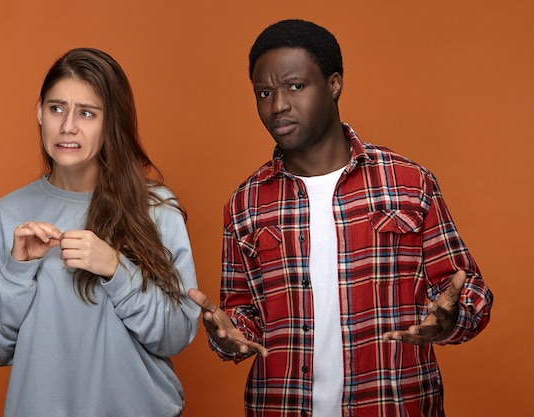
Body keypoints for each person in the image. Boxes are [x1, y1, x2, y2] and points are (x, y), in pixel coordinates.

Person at [188, 19, 493, 417]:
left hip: (392, 406)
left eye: (295, 86)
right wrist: (227, 336)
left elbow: (468, 292)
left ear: (334, 84)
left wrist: (451, 319)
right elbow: (244, 316)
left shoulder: (408, 184)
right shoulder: (245, 204)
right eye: (265, 92)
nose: (278, 104)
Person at [0, 48, 200, 417]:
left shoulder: (155, 207)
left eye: (87, 113)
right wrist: (17, 270)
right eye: (57, 108)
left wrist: (115, 267)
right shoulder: (10, 213)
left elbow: (175, 335)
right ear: (39, 112)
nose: (68, 127)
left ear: (110, 122)